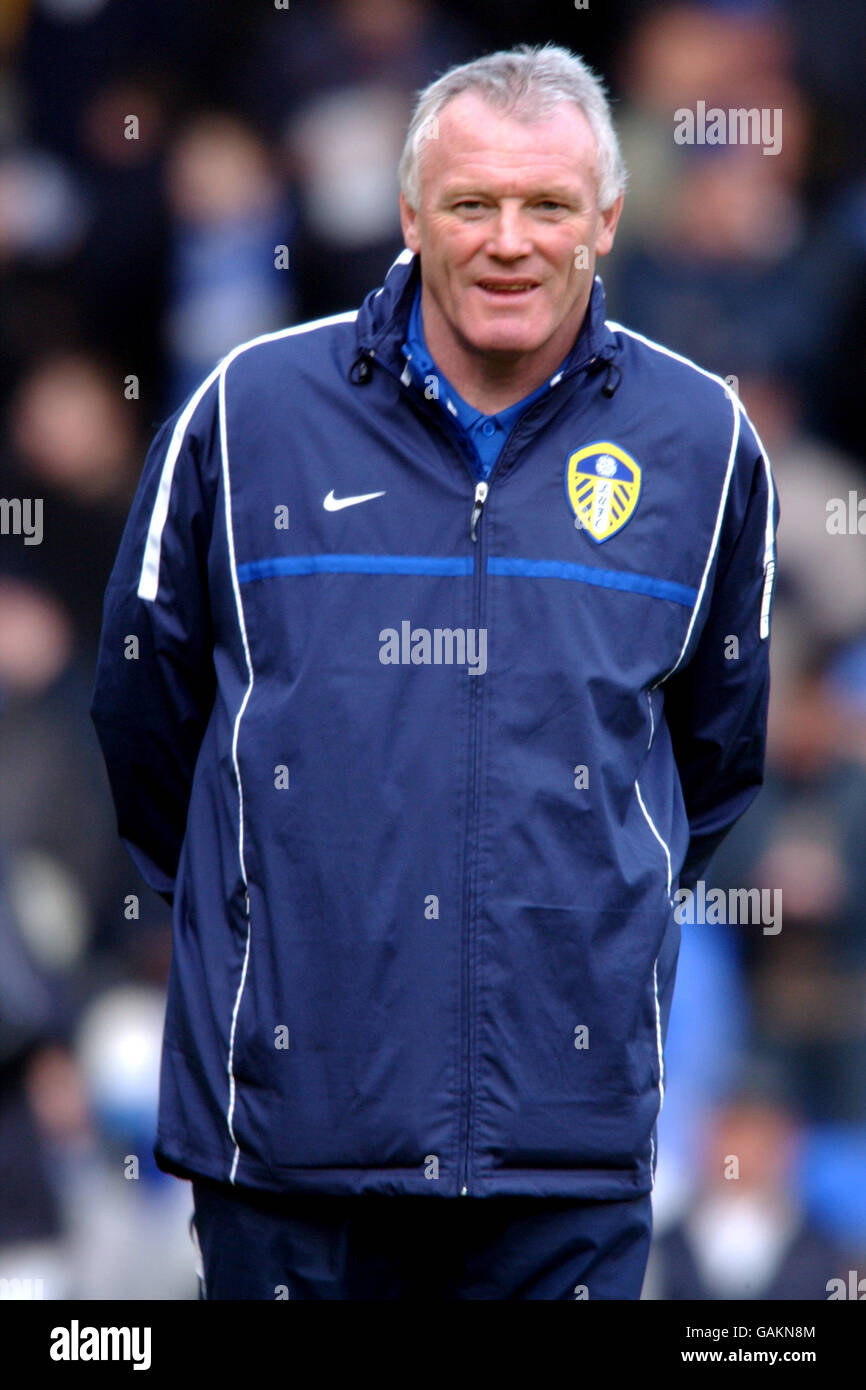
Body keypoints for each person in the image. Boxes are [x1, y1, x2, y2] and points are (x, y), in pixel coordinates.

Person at [90, 44, 778, 1300]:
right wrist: (281, 911)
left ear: (606, 222)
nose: (508, 241)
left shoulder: (704, 445)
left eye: (547, 206)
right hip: (287, 1144)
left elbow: (709, 763)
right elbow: (144, 722)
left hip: (561, 1156)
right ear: (412, 214)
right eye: (471, 204)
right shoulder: (247, 416)